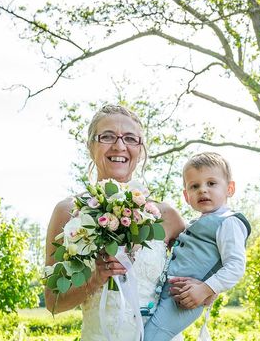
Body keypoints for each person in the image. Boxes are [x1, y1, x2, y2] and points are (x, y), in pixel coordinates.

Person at [44, 104, 186, 341]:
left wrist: (208, 290)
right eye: (108, 136)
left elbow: (204, 266)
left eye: (130, 138)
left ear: (140, 149)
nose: (120, 146)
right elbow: (53, 302)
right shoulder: (67, 211)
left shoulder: (166, 215)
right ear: (91, 145)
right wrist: (94, 278)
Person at [143, 152, 251, 340]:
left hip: (186, 299)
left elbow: (235, 266)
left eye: (211, 183)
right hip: (169, 294)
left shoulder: (229, 222)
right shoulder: (196, 222)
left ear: (230, 188)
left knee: (151, 337)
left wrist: (206, 289)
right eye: (195, 186)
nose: (202, 190)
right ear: (186, 196)